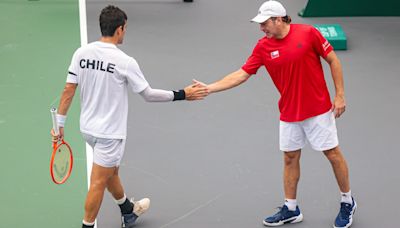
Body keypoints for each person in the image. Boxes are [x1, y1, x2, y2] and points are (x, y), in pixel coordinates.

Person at [195, 1, 356, 227]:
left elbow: (333, 60)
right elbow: (242, 74)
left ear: (279, 19)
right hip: (289, 112)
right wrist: (210, 87)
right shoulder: (263, 47)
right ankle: (291, 208)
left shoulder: (309, 34)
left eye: (264, 23)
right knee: (290, 158)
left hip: (318, 110)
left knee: (332, 154)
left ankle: (347, 202)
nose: (261, 28)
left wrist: (339, 95)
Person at [50, 5, 208, 228]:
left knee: (110, 172)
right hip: (109, 135)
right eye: (125, 29)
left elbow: (68, 90)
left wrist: (59, 124)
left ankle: (128, 211)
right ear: (119, 29)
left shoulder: (81, 53)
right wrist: (183, 94)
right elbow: (148, 95)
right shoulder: (125, 61)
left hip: (88, 130)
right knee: (98, 182)